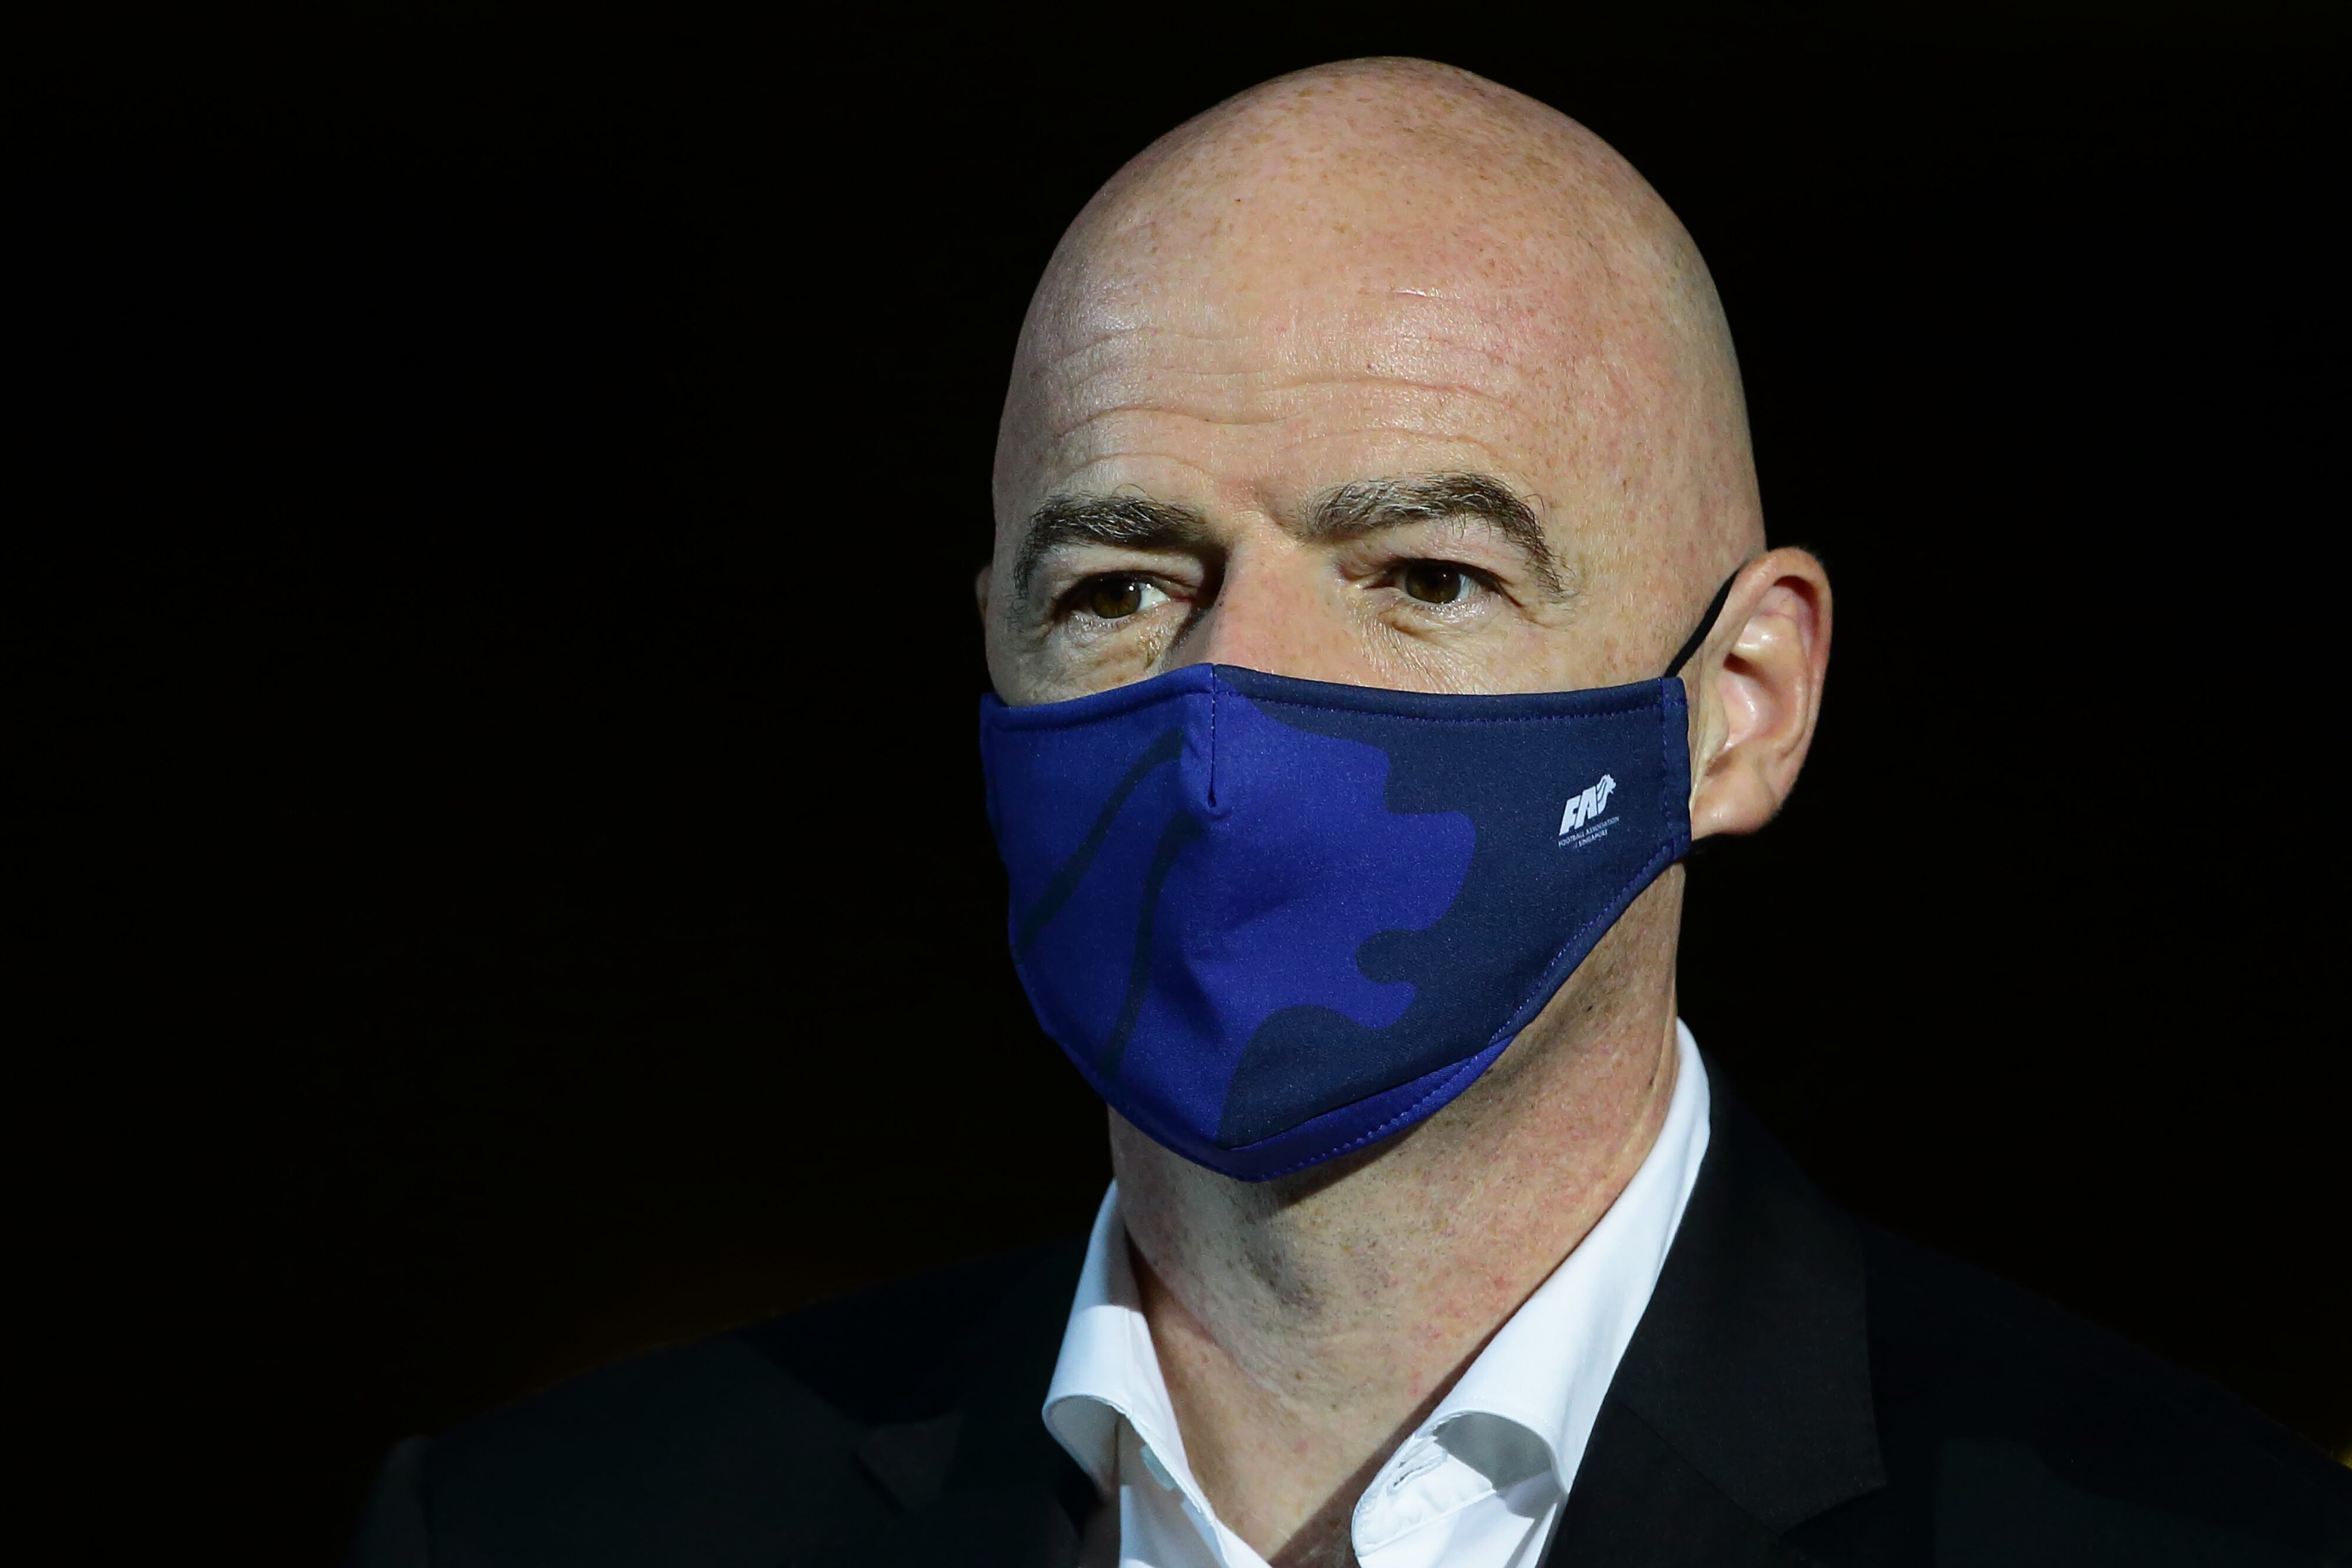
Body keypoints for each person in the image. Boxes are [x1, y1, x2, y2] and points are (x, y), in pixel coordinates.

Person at [343, 58, 2350, 1568]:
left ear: (1741, 706)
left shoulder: (2195, 1537)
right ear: (994, 657)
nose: (1228, 698)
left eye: (1427, 577)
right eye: (1118, 586)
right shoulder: (545, 1531)